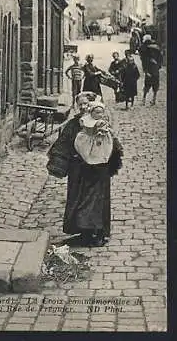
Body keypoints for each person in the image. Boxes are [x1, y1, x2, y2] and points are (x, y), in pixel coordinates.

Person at [47, 92, 123, 247]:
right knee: (77, 200)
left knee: (95, 201)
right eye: (79, 104)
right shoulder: (74, 124)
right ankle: (83, 233)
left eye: (86, 104)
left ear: (93, 105)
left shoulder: (101, 123)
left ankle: (97, 234)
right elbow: (63, 143)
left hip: (97, 172)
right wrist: (59, 163)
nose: (82, 107)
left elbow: (112, 146)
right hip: (78, 171)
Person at [142, 39, 163, 106]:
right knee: (147, 86)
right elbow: (144, 63)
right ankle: (144, 99)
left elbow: (160, 63)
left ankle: (152, 99)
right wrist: (146, 71)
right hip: (151, 72)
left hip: (154, 72)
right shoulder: (147, 54)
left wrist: (156, 64)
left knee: (154, 87)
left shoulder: (156, 54)